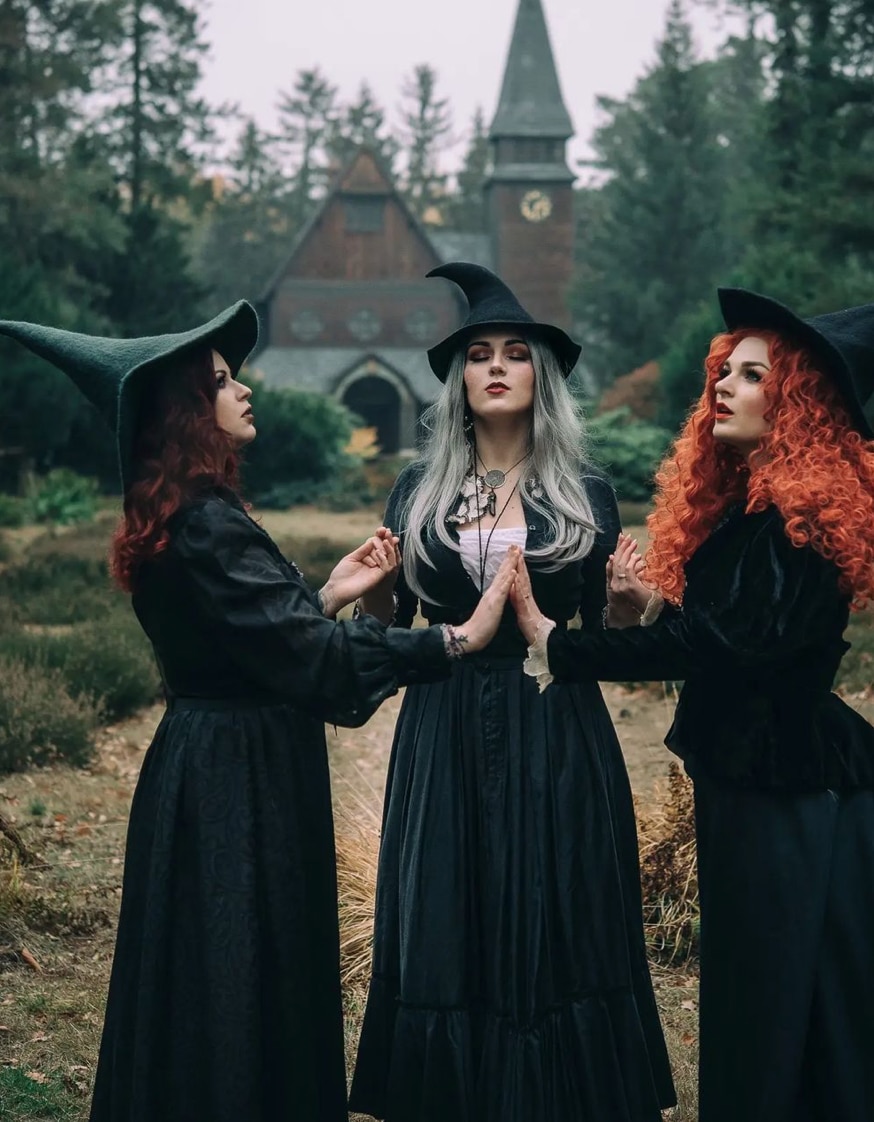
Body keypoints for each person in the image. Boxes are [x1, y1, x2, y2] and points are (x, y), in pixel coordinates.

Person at [0, 303, 518, 1122]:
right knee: (236, 967)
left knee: (224, 967)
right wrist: (454, 640)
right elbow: (311, 665)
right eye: (219, 381)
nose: (242, 389)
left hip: (221, 758)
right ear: (184, 411)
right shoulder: (207, 524)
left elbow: (250, 644)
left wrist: (323, 597)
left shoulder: (197, 514)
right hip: (233, 780)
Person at [509, 286, 874, 1122]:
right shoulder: (759, 517)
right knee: (765, 992)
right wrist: (655, 613)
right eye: (723, 371)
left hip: (797, 800)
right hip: (760, 786)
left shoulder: (793, 522)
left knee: (789, 998)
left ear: (798, 405)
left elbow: (726, 649)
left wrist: (557, 643)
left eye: (751, 375)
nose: (722, 385)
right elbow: (734, 642)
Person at [348, 263, 676, 1122]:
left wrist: (632, 613)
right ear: (459, 380)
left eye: (515, 353)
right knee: (448, 907)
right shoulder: (420, 492)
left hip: (555, 723)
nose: (496, 366)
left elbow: (602, 641)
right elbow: (393, 626)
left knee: (560, 902)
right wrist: (380, 585)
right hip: (444, 724)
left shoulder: (587, 494)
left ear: (542, 377)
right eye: (479, 354)